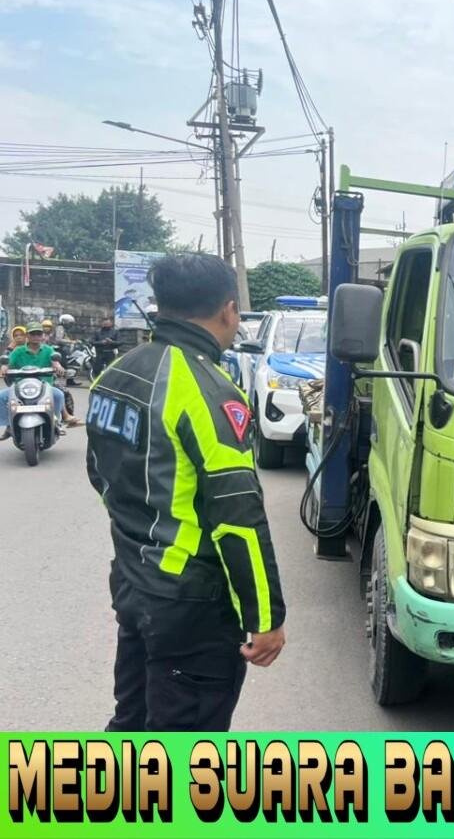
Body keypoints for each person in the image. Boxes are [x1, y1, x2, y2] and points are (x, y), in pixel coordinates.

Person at [86, 253, 286, 731]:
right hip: (190, 607)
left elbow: (101, 474)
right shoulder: (210, 392)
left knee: (132, 720)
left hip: (134, 583)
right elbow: (237, 517)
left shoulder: (114, 374)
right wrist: (266, 616)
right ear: (229, 310)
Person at [0, 323, 74, 439]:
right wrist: (4, 368)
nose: (36, 336)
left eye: (38, 334)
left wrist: (58, 367)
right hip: (20, 386)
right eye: (32, 334)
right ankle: (9, 425)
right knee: (1, 396)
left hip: (44, 386)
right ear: (27, 336)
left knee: (59, 395)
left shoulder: (48, 350)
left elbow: (55, 362)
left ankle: (56, 422)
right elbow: (8, 364)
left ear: (42, 336)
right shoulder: (18, 351)